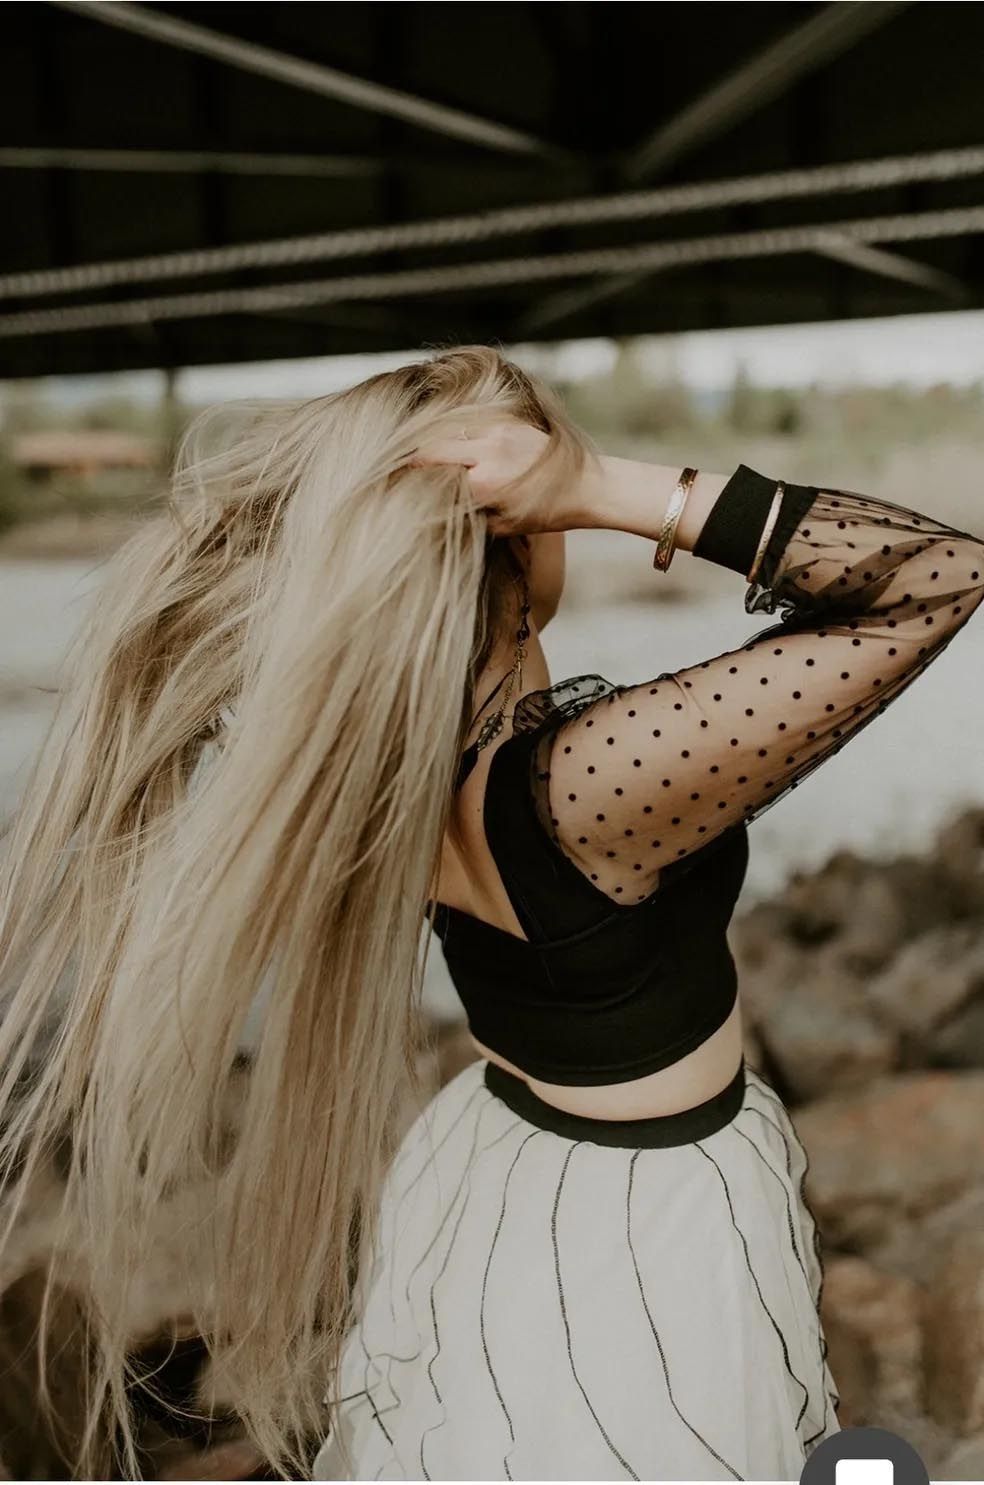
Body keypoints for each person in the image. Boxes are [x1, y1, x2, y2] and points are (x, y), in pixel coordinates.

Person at [0, 347, 981, 1482]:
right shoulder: (584, 789)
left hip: (507, 1151)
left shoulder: (368, 755)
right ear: (515, 530)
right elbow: (939, 574)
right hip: (641, 1213)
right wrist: (612, 486)